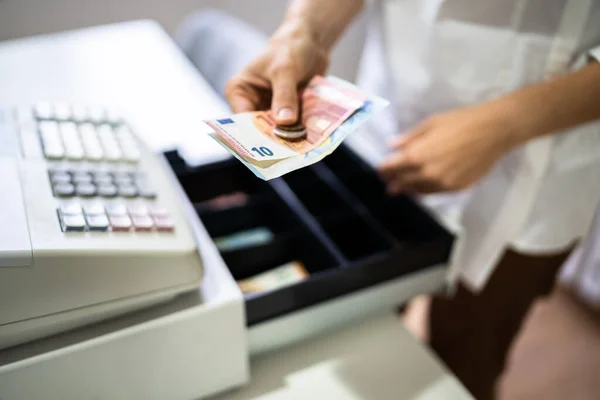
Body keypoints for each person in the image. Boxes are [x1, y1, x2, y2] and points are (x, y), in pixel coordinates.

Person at [186, 1, 600, 398]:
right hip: (390, 121)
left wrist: (505, 125)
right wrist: (304, 28)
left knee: (468, 357)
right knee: (361, 335)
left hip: (541, 166)